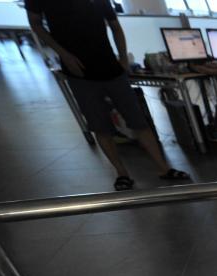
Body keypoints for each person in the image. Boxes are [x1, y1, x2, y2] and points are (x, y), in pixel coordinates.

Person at [26, 0, 189, 191]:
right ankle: (121, 173)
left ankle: (164, 168)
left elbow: (115, 25)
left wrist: (123, 59)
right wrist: (64, 55)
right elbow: (35, 24)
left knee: (138, 121)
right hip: (79, 72)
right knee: (100, 126)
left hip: (111, 67)